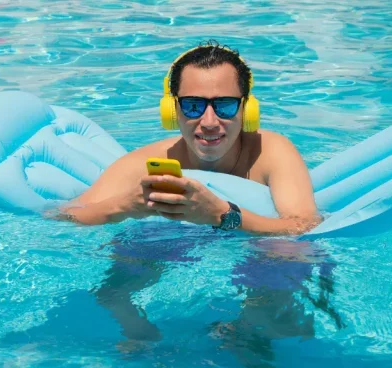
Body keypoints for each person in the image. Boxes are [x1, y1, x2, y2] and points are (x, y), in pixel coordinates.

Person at [60, 40, 320, 235]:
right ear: (172, 111)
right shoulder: (145, 162)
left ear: (247, 110)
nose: (209, 122)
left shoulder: (271, 153)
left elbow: (304, 226)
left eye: (225, 106)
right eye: (193, 106)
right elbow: (64, 217)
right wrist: (127, 205)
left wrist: (221, 214)